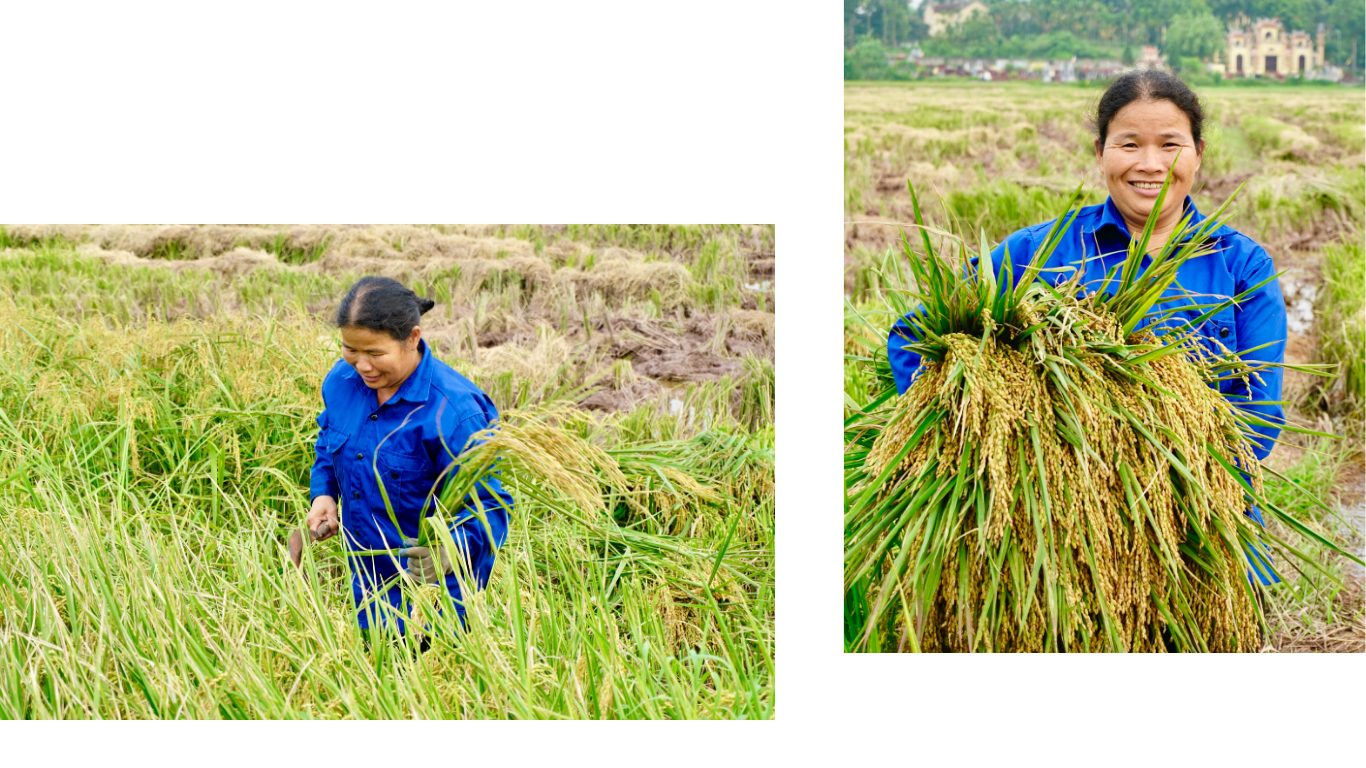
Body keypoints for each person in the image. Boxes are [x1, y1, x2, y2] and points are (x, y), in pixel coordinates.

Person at [887, 70, 1286, 585]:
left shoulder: (1243, 266)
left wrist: (1157, 488)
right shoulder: (1039, 252)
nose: (1150, 164)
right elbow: (916, 336)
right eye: (1129, 144)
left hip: (1202, 531)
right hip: (1050, 536)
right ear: (1100, 152)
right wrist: (975, 441)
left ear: (1198, 152)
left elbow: (1258, 417)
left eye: (1170, 145)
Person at [306, 276, 513, 649]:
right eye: (350, 350)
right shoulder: (342, 382)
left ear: (413, 338)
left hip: (433, 604)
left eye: (375, 353)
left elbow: (491, 507)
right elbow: (329, 441)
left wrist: (450, 552)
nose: (362, 366)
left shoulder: (455, 413)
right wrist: (325, 495)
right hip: (368, 587)